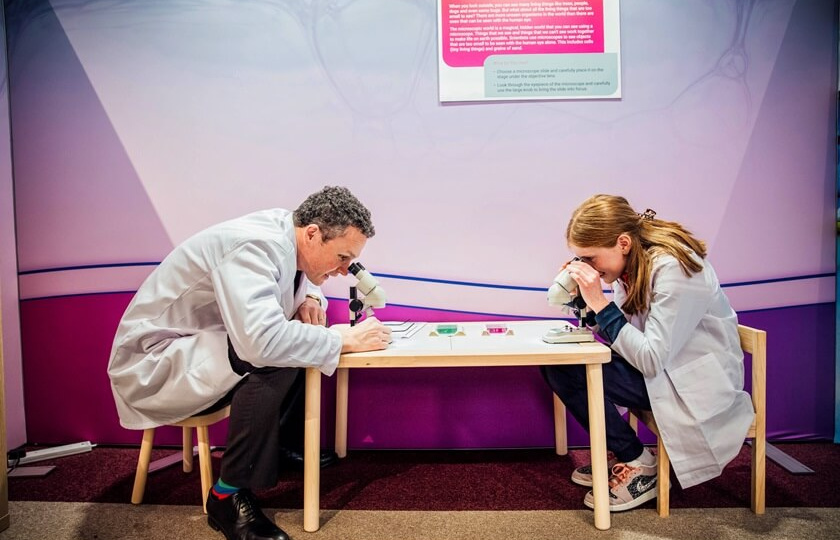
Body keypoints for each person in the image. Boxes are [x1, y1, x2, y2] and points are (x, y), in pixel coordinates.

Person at [107, 186, 391, 540]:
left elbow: (288, 279)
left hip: (196, 348)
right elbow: (260, 343)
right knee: (275, 352)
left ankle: (279, 449)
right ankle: (227, 496)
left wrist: (311, 298)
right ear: (314, 233)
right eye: (342, 257)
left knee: (299, 335)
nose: (347, 269)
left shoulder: (289, 233)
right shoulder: (253, 246)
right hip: (153, 364)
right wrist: (342, 339)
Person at [541, 194, 754, 512]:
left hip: (690, 386)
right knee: (560, 365)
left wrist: (599, 301)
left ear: (622, 242)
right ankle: (631, 454)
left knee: (569, 369)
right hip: (660, 372)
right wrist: (580, 300)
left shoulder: (677, 269)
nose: (586, 266)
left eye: (589, 258)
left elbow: (651, 358)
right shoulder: (631, 266)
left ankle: (640, 466)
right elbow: (623, 338)